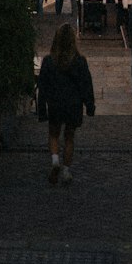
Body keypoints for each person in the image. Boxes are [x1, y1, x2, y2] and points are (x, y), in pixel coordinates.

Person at [36, 23, 95, 185]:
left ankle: (55, 160)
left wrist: (41, 109)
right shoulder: (80, 61)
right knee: (69, 137)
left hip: (55, 104)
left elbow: (43, 87)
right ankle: (67, 170)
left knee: (53, 134)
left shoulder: (48, 61)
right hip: (74, 105)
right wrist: (90, 106)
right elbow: (86, 85)